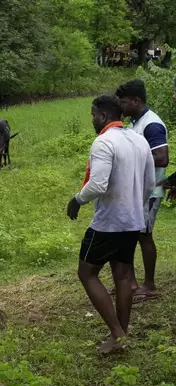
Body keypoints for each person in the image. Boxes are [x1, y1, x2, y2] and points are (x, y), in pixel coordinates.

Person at [66, 95, 155, 354]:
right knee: (123, 275)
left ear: (103, 116)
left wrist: (76, 200)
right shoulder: (139, 140)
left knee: (86, 272)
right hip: (133, 220)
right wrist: (134, 205)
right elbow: (149, 183)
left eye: (93, 115)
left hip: (108, 223)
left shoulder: (104, 142)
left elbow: (97, 185)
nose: (92, 119)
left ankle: (117, 333)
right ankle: (121, 336)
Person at [114, 79, 169, 303]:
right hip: (136, 190)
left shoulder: (151, 124)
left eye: (124, 102)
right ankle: (132, 283)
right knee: (131, 234)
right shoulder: (136, 122)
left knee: (144, 236)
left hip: (150, 191)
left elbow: (162, 158)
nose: (121, 107)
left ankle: (150, 285)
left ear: (136, 101)